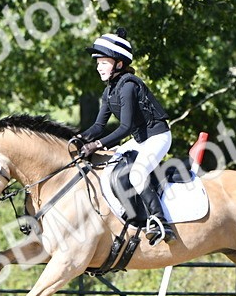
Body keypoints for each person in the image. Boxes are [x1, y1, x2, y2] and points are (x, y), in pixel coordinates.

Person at [73, 29, 175, 244]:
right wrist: (79, 137)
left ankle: (159, 221)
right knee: (109, 164)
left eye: (103, 62)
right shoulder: (109, 91)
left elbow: (125, 127)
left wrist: (97, 144)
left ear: (118, 64)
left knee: (137, 173)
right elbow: (99, 126)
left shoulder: (128, 86)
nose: (98, 67)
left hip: (158, 137)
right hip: (141, 139)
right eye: (98, 62)